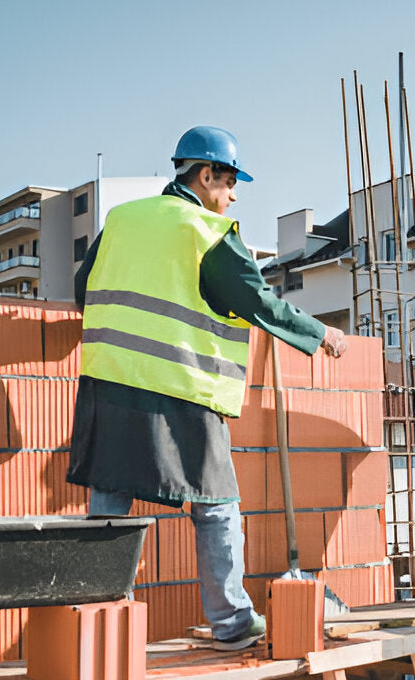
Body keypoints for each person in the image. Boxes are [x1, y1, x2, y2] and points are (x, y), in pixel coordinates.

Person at [67, 126, 346, 652]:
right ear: (205, 174)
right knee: (217, 504)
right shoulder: (207, 230)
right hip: (181, 384)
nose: (234, 194)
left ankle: (98, 621)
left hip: (110, 381)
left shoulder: (120, 219)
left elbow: (85, 290)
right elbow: (257, 301)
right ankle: (232, 623)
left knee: (108, 497)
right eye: (231, 181)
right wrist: (321, 334)